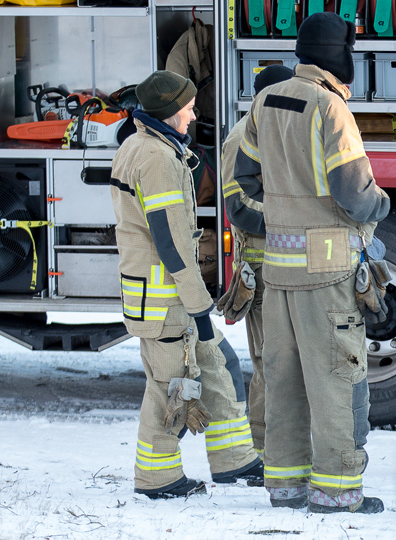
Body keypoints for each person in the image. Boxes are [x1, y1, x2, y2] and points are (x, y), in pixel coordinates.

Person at [233, 13, 391, 514]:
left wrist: (287, 212)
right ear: (337, 56)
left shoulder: (265, 100)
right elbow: (355, 193)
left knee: (283, 379)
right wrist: (381, 204)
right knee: (335, 379)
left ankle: (284, 485)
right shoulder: (330, 106)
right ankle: (337, 491)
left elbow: (247, 181)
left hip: (278, 274)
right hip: (328, 272)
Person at [110, 70, 263, 500]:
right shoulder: (156, 157)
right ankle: (157, 478)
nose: (194, 113)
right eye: (189, 107)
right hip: (166, 302)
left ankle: (235, 459)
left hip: (166, 296)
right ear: (170, 111)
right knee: (169, 387)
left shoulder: (148, 145)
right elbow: (172, 243)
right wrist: (200, 305)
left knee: (217, 366)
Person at [217, 64, 294, 457]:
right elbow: (240, 209)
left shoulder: (278, 130)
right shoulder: (241, 138)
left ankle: (285, 447)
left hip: (291, 267)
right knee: (270, 363)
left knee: (290, 362)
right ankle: (263, 452)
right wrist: (302, 218)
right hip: (262, 271)